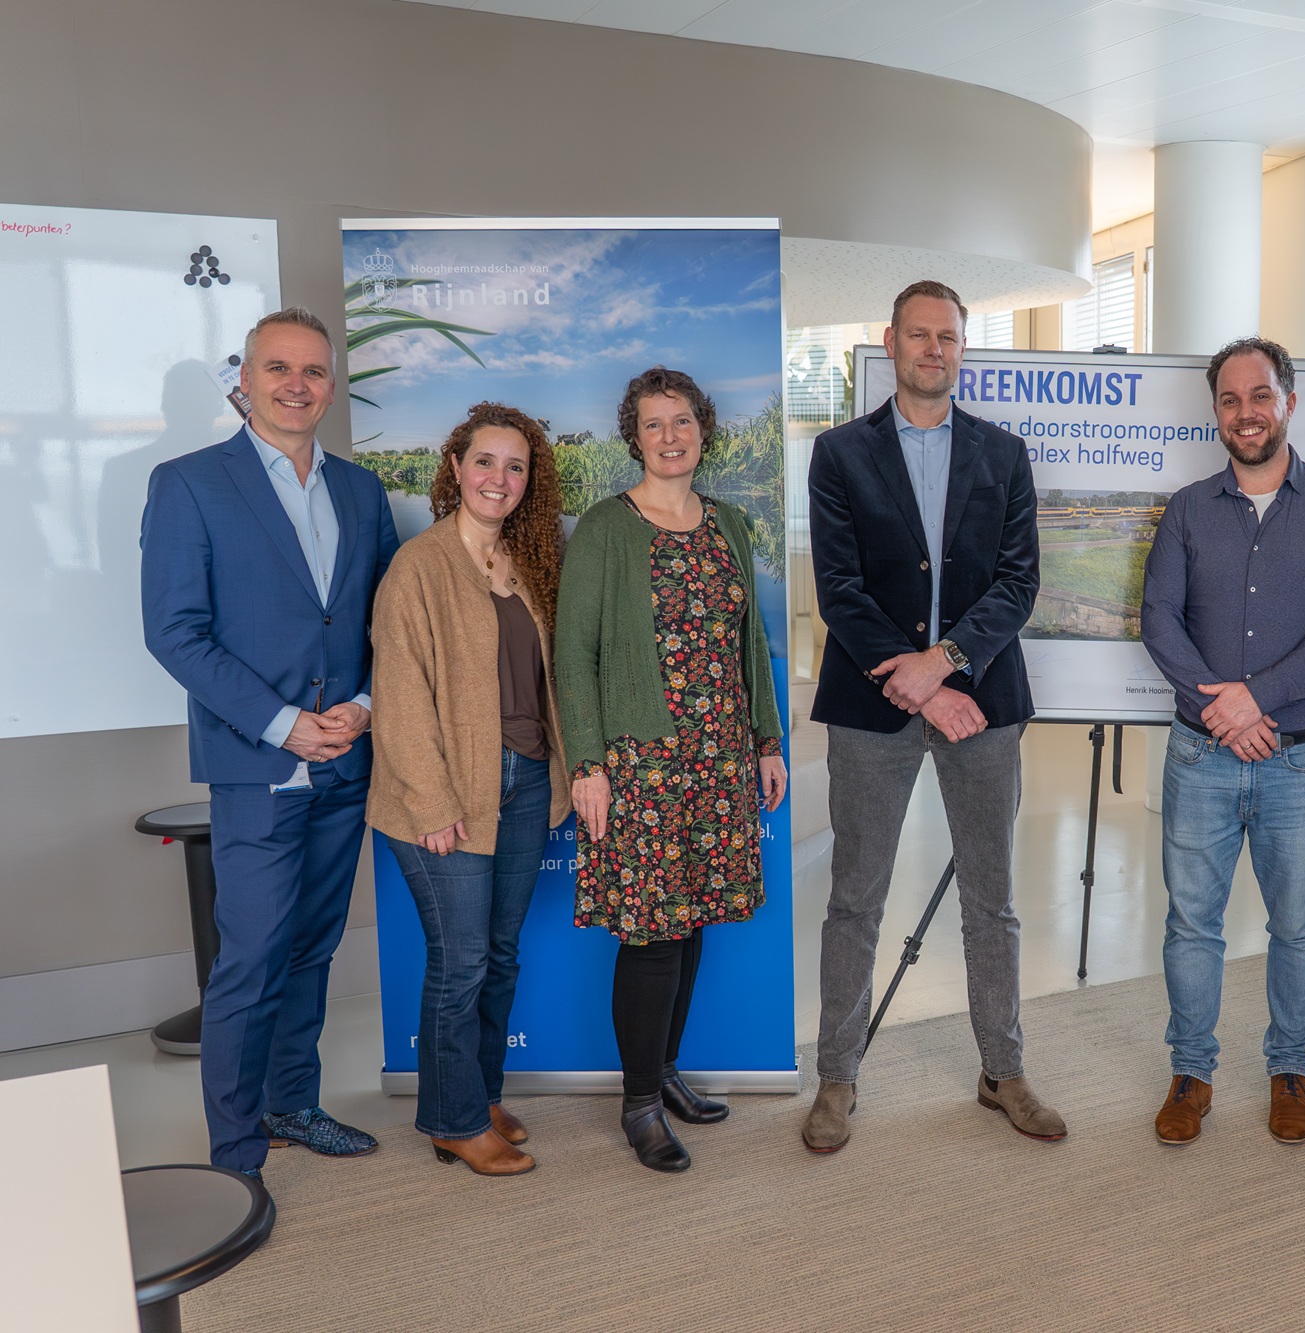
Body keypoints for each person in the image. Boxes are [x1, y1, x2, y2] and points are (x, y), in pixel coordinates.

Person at [140, 307, 400, 1181]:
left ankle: (293, 1103)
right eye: (278, 368)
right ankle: (235, 1156)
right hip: (258, 764)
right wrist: (287, 724)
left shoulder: (361, 491)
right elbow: (175, 632)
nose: (297, 384)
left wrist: (364, 705)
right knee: (250, 960)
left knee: (311, 949)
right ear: (245, 381)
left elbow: (387, 623)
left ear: (332, 385)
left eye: (314, 370)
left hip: (347, 760)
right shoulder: (188, 484)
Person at [800, 279, 1060, 1154]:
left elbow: (1019, 583)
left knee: (993, 899)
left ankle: (1004, 1071)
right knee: (855, 899)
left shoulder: (1004, 453)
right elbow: (840, 588)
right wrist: (919, 684)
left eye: (947, 336)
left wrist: (945, 665)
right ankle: (838, 1077)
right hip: (871, 706)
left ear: (961, 348)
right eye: (918, 335)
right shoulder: (840, 453)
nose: (933, 349)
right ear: (891, 342)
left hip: (982, 700)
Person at [1140, 336, 1305, 1147]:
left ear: (1289, 402)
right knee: (1191, 923)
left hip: (1300, 759)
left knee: (1299, 924)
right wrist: (1223, 712)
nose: (1245, 412)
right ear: (1217, 411)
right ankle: (1191, 1072)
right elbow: (1158, 619)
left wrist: (1256, 698)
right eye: (1230, 399)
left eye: (1260, 395)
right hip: (1201, 754)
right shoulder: (1187, 509)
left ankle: (1290, 1069)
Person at [556, 368, 788, 1174]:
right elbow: (573, 657)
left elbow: (750, 643)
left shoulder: (729, 524)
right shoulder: (604, 528)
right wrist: (587, 763)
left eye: (681, 420)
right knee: (653, 933)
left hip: (719, 759)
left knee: (691, 924)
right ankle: (639, 1103)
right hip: (641, 765)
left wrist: (766, 740)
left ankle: (665, 1071)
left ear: (702, 429)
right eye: (653, 424)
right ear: (635, 437)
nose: (669, 436)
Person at [368, 403, 571, 1177]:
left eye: (516, 466)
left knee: (500, 955)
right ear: (455, 467)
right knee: (461, 961)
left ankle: (479, 1096)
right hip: (443, 792)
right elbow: (400, 696)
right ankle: (453, 1121)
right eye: (485, 461)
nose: (499, 478)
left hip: (524, 782)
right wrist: (431, 803)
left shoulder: (526, 564)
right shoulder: (418, 566)